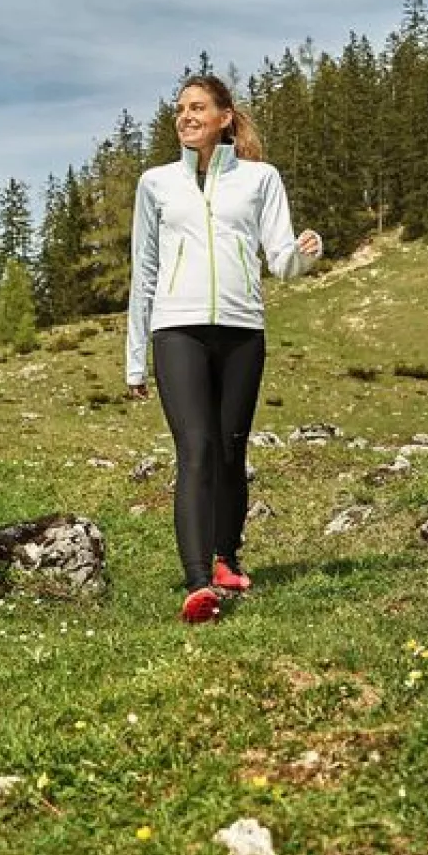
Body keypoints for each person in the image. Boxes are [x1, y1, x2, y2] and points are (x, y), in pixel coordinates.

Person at [125, 74, 322, 623]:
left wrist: (308, 252)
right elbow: (144, 270)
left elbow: (280, 260)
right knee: (198, 448)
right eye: (179, 109)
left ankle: (224, 559)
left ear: (224, 117)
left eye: (197, 107)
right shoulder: (156, 183)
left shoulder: (260, 179)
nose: (185, 117)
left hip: (241, 329)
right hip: (177, 328)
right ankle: (196, 583)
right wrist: (135, 356)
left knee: (233, 450)